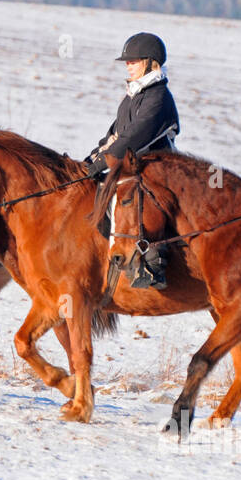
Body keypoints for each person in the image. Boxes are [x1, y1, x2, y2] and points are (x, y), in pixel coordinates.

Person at [84, 32, 179, 289]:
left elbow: (136, 137)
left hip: (158, 167)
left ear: (151, 63)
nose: (128, 65)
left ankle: (153, 264)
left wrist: (103, 163)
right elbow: (116, 135)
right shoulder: (131, 97)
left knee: (137, 201)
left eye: (134, 61)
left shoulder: (158, 97)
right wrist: (89, 161)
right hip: (132, 166)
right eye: (127, 61)